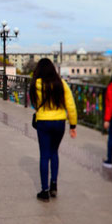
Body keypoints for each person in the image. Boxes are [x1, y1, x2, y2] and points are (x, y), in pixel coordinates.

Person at [29, 58, 77, 202]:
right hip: (59, 122)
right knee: (54, 152)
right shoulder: (61, 84)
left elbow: (33, 104)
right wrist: (73, 125)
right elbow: (71, 105)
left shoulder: (35, 84)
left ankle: (44, 191)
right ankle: (54, 185)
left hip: (43, 122)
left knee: (44, 155)